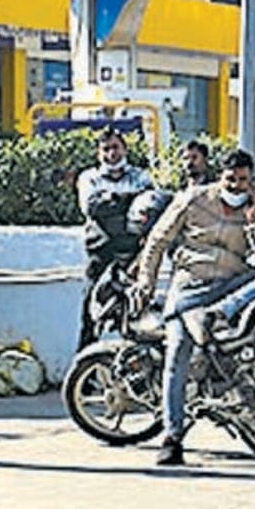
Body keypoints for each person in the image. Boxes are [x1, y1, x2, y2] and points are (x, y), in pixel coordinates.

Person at [130, 150, 255, 467]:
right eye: (231, 179)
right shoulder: (193, 199)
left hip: (231, 290)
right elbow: (158, 240)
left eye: (244, 180)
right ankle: (172, 436)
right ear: (221, 177)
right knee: (177, 354)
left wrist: (253, 221)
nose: (237, 185)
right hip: (190, 289)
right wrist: (146, 284)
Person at [74, 128, 153, 348]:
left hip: (133, 256)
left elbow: (149, 207)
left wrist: (111, 201)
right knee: (91, 309)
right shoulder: (89, 178)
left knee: (137, 313)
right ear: (99, 153)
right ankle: (84, 366)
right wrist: (127, 200)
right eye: (106, 149)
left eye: (116, 147)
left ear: (125, 149)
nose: (111, 154)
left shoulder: (141, 176)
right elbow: (92, 207)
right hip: (100, 253)